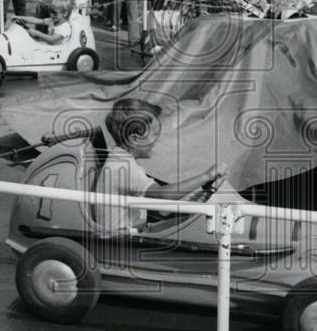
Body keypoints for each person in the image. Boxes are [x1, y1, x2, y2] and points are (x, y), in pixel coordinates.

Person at [94, 97, 226, 237]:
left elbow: (162, 209)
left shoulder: (122, 159)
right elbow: (161, 196)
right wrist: (206, 176)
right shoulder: (122, 168)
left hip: (132, 232)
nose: (158, 138)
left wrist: (203, 193)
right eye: (154, 134)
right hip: (119, 241)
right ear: (134, 139)